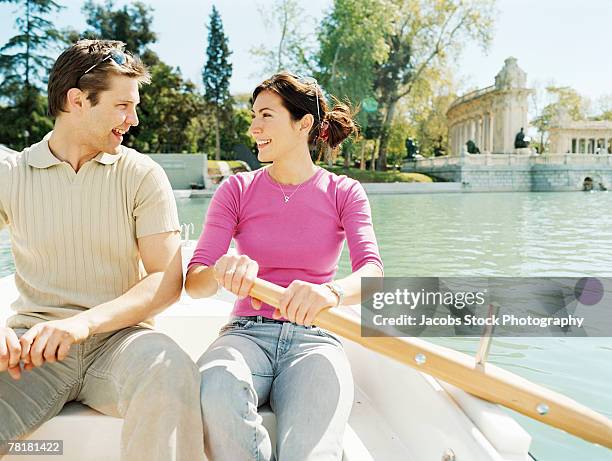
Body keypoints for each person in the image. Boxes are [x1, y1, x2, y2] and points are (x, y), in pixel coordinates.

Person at [0, 40, 205, 461]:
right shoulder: (11, 175)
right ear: (77, 100)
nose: (133, 119)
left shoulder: (142, 175)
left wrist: (82, 325)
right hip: (32, 348)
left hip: (122, 343)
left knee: (170, 369)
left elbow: (165, 280)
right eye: (122, 106)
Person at [185, 72, 384, 460]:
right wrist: (223, 269)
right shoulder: (236, 190)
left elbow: (372, 271)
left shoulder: (345, 192)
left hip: (315, 339)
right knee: (214, 384)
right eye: (253, 115)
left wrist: (330, 292)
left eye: (266, 115)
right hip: (245, 335)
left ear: (303, 123)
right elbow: (196, 282)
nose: (254, 127)